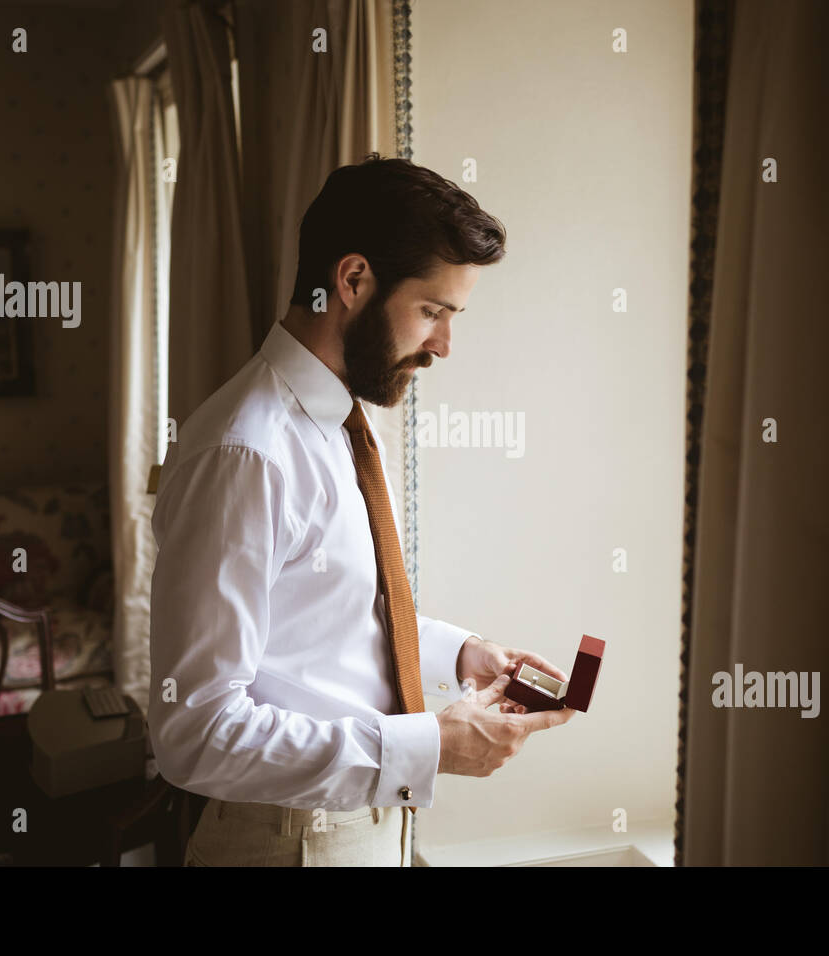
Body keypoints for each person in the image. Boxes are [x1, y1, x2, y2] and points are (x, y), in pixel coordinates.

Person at [149, 153, 575, 866]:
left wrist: (460, 652)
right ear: (352, 280)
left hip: (368, 827)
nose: (443, 345)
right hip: (289, 844)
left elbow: (325, 613)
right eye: (433, 311)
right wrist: (429, 746)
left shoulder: (344, 420)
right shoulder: (244, 453)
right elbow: (194, 733)